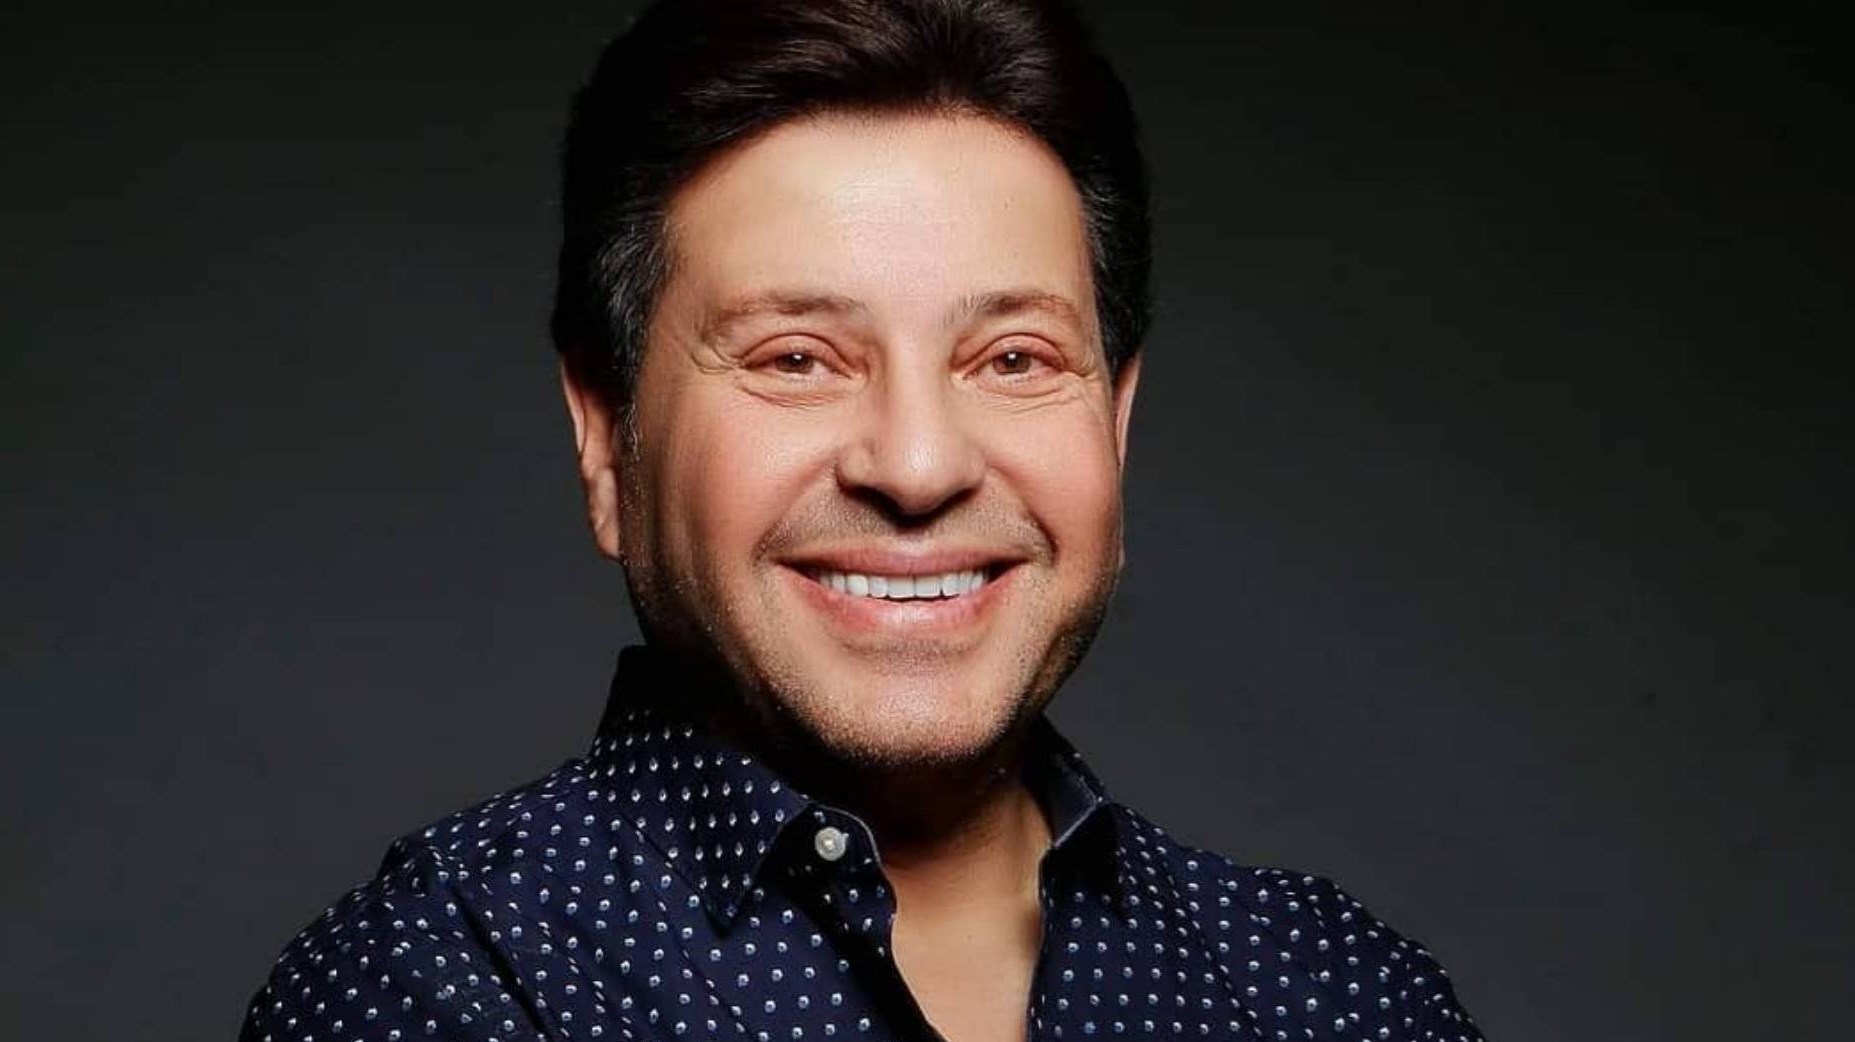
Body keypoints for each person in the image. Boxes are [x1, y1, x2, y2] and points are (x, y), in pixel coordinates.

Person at [238, 1, 1483, 1039]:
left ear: (1115, 420)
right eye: (796, 358)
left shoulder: (1339, 999)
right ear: (606, 437)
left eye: (1012, 358)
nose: (919, 464)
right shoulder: (428, 990)